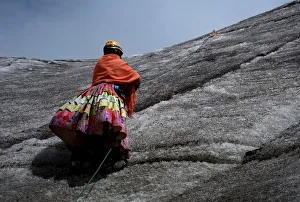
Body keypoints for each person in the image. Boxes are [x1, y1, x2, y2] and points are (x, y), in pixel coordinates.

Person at [49, 40, 141, 172]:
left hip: (92, 94)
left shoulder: (100, 62)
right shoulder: (118, 61)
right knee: (111, 124)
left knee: (86, 122)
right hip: (109, 94)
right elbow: (135, 77)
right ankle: (112, 158)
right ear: (118, 52)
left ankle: (80, 158)